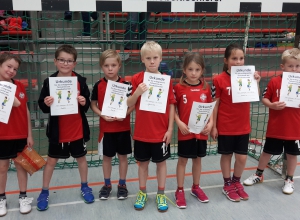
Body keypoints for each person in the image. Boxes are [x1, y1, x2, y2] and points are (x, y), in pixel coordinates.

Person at [36, 45, 94, 211]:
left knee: (81, 159)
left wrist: (84, 102)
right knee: (51, 161)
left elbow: (86, 104)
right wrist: (46, 103)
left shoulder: (81, 81)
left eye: (69, 61)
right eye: (62, 60)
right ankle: (44, 191)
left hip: (77, 129)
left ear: (74, 64)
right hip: (58, 131)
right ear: (55, 61)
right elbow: (43, 105)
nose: (65, 63)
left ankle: (85, 186)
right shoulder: (49, 82)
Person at [127, 41, 176, 212]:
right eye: (148, 58)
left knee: (161, 163)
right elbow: (128, 103)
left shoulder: (166, 80)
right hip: (141, 133)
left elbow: (171, 105)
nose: (152, 61)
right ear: (142, 59)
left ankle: (161, 193)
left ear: (161, 58)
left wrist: (170, 129)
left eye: (155, 58)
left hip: (160, 132)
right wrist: (137, 92)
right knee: (143, 164)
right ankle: (142, 192)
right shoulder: (136, 79)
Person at [243, 48, 300, 194]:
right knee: (267, 152)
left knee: (292, 155)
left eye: (297, 66)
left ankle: (289, 179)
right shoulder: (275, 81)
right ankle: (258, 174)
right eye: (290, 66)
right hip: (276, 127)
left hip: (294, 128)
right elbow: (264, 98)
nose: (294, 69)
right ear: (282, 66)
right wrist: (272, 105)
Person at [210, 43, 261, 202]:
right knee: (226, 156)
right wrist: (214, 126)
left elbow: (255, 96)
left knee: (242, 158)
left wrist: (256, 82)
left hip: (242, 126)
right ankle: (227, 184)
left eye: (241, 58)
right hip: (225, 126)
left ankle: (236, 181)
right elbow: (215, 104)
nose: (238, 62)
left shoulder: (248, 76)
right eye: (234, 58)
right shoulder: (218, 80)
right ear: (226, 60)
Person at [90, 49, 134, 200]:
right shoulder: (98, 85)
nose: (110, 69)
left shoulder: (127, 85)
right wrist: (102, 114)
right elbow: (93, 104)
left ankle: (122, 184)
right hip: (106, 129)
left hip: (123, 128)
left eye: (113, 65)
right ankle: (107, 184)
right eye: (106, 65)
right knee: (107, 158)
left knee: (123, 157)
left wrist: (125, 113)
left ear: (119, 66)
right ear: (102, 67)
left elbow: (133, 104)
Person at [173, 52, 213, 209]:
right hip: (185, 131)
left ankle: (196, 187)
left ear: (202, 70)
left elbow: (210, 108)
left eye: (197, 69)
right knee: (183, 160)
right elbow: (172, 109)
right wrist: (179, 123)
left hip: (201, 132)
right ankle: (180, 190)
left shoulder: (206, 87)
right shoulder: (178, 88)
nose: (193, 73)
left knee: (198, 159)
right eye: (190, 69)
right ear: (184, 70)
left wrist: (210, 124)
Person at [0, 53, 34, 216]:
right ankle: (1, 198)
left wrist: (29, 134)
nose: (12, 70)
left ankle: (23, 196)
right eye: (8, 66)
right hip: (2, 135)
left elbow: (24, 109)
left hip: (20, 134)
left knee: (22, 165)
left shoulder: (19, 86)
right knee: (2, 168)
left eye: (15, 69)